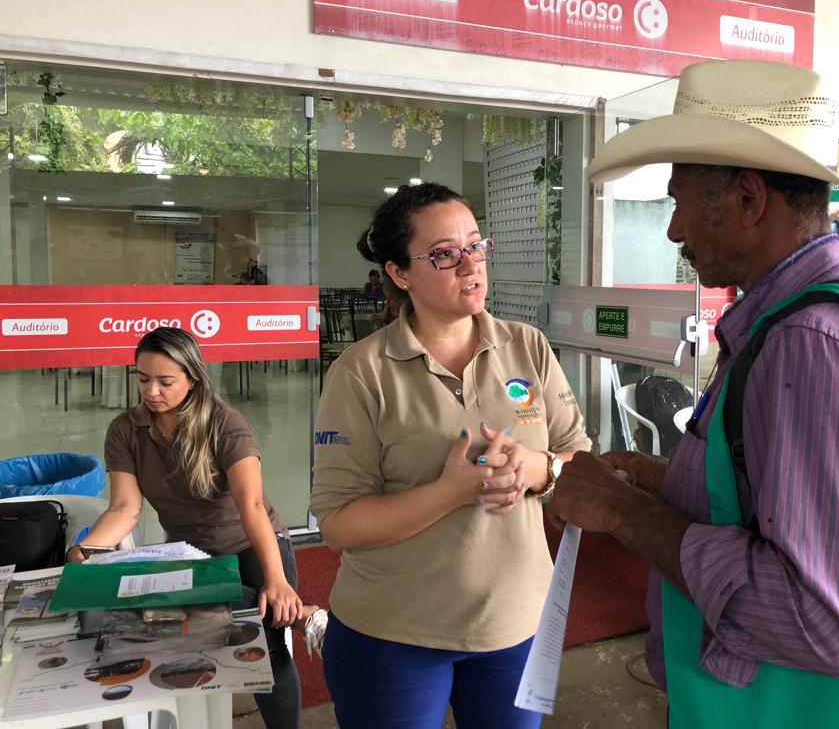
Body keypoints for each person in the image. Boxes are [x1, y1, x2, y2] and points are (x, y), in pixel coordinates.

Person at [548, 61, 839, 722]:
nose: (674, 232)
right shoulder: (810, 320)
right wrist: (669, 479)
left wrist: (624, 514)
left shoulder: (809, 341)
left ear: (747, 198)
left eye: (679, 202)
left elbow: (825, 623)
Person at [309, 182, 591, 729]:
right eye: (443, 254)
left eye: (474, 246)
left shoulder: (527, 347)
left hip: (515, 624)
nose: (469, 266)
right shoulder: (361, 372)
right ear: (399, 273)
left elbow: (579, 460)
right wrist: (449, 491)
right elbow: (339, 524)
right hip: (393, 631)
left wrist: (535, 470)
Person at [66, 327, 318, 729]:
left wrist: (276, 578)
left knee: (268, 646)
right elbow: (126, 508)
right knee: (212, 620)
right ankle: (299, 614)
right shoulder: (125, 430)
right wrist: (83, 553)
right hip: (191, 553)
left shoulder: (225, 424)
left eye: (165, 382)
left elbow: (251, 504)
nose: (151, 392)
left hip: (253, 543)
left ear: (193, 379)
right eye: (143, 379)